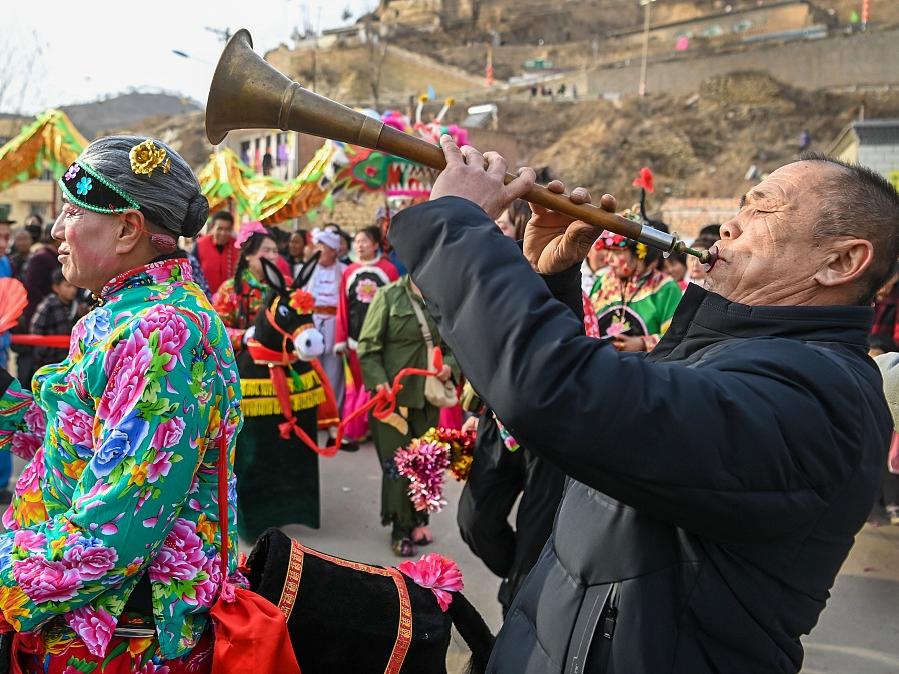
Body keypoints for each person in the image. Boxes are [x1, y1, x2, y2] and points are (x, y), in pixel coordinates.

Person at [389, 135, 898, 674]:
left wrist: (458, 224)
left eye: (765, 207)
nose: (730, 225)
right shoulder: (737, 353)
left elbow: (564, 397)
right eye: (741, 207)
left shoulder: (820, 396)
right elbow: (605, 430)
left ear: (841, 261)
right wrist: (547, 279)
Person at [0, 135, 242, 672]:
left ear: (128, 229)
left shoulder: (163, 332)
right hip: (88, 617)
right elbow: (79, 439)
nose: (57, 232)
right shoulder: (126, 315)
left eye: (71, 212)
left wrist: (4, 578)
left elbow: (116, 528)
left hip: (124, 637)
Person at [212, 222, 325, 537]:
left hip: (286, 371)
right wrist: (243, 335)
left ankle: (289, 509)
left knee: (287, 448)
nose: (273, 257)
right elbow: (216, 329)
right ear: (249, 255)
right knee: (253, 450)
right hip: (247, 374)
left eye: (276, 251)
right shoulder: (230, 291)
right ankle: (249, 514)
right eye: (267, 251)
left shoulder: (287, 285)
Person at [357, 275, 460, 557]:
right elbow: (367, 347)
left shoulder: (443, 296)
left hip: (428, 397)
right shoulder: (388, 296)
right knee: (398, 465)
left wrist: (449, 367)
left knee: (425, 462)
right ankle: (400, 528)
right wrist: (380, 382)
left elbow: (456, 345)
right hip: (392, 401)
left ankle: (418, 521)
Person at [335, 226, 399, 442]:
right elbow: (342, 308)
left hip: (383, 342)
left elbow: (395, 306)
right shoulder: (348, 271)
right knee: (358, 385)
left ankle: (378, 426)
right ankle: (358, 428)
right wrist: (340, 339)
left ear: (375, 245)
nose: (359, 246)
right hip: (355, 340)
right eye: (357, 241)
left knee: (379, 384)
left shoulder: (389, 270)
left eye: (364, 241)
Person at [302, 227, 355, 451]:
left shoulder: (344, 271)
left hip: (335, 324)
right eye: (318, 247)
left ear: (334, 251)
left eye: (323, 248)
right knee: (312, 371)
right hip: (313, 322)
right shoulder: (307, 269)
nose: (319, 251)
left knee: (334, 374)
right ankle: (312, 419)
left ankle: (334, 419)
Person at [589, 226, 682, 351]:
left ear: (640, 254)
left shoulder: (666, 288)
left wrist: (643, 344)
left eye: (616, 252)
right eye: (607, 252)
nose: (608, 260)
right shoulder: (603, 282)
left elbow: (677, 337)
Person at [15, 223, 63, 387]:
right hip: (39, 315)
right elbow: (31, 287)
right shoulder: (41, 257)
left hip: (55, 316)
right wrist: (51, 303)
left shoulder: (54, 256)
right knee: (35, 357)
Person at [27, 268, 84, 372]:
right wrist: (43, 353)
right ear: (56, 287)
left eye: (74, 286)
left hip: (68, 359)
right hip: (49, 360)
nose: (73, 290)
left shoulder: (77, 305)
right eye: (68, 286)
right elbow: (36, 330)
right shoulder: (48, 305)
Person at [194, 209, 237, 294]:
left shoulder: (237, 246)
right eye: (219, 229)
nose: (223, 233)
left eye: (227, 229)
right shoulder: (200, 245)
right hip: (205, 298)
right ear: (213, 227)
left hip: (229, 299)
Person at [685, 223, 721, 288]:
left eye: (701, 258)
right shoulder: (679, 287)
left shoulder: (719, 288)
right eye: (692, 259)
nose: (695, 264)